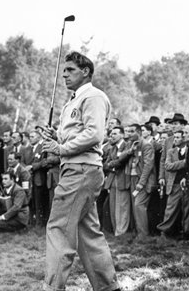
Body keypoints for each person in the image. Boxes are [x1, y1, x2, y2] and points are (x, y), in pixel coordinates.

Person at [41, 51, 119, 291]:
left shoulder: (93, 96)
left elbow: (94, 134)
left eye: (71, 70)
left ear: (86, 71)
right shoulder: (73, 101)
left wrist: (61, 147)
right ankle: (108, 287)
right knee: (88, 235)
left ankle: (52, 287)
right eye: (64, 71)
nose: (64, 75)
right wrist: (58, 136)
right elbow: (81, 132)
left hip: (80, 169)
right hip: (81, 169)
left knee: (59, 229)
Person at [157, 130, 187, 237]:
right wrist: (184, 162)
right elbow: (168, 166)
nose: (175, 140)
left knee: (186, 210)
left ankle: (185, 233)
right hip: (174, 184)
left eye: (178, 137)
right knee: (170, 210)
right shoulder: (171, 151)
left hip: (187, 184)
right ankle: (164, 232)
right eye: (174, 138)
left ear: (184, 139)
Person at [103, 126, 130, 237]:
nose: (111, 136)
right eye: (110, 134)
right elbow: (105, 165)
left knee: (122, 207)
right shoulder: (112, 149)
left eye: (114, 134)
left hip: (123, 179)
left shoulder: (127, 146)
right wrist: (112, 165)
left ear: (122, 135)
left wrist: (111, 165)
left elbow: (121, 162)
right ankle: (116, 231)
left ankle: (121, 232)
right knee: (113, 206)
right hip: (112, 180)